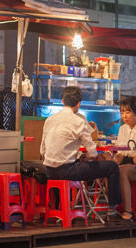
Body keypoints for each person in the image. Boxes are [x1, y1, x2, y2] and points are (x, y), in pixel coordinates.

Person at [41, 86, 123, 219]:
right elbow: (92, 150)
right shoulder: (78, 121)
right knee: (112, 167)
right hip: (68, 171)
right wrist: (91, 156)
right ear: (78, 104)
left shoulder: (48, 120)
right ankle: (112, 210)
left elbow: (42, 150)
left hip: (49, 171)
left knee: (72, 165)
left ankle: (59, 208)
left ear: (62, 101)